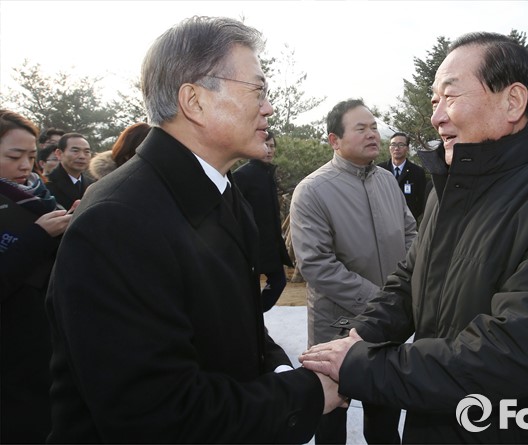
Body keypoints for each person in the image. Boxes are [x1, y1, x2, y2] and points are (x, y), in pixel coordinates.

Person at [300, 32, 528, 443]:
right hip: (437, 421)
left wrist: (361, 365)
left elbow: (515, 351)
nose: (437, 117)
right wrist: (360, 337)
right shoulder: (452, 187)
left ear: (513, 101)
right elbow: (409, 279)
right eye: (434, 101)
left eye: (451, 96)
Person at [45, 16, 343, 443]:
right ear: (195, 101)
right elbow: (157, 416)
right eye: (257, 90)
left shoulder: (222, 191)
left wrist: (279, 369)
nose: (269, 107)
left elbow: (238, 330)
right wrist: (305, 393)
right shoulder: (118, 221)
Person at [290, 99, 417, 444]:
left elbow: (411, 235)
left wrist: (402, 295)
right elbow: (317, 264)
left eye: (374, 127)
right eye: (361, 128)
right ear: (335, 140)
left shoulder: (387, 182)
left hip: (386, 329)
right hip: (337, 328)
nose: (372, 134)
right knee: (331, 422)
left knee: (384, 423)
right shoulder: (312, 191)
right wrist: (384, 301)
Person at [0, 110, 75, 444]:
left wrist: (71, 222)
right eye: (13, 156)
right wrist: (38, 237)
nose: (25, 166)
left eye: (31, 157)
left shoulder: (38, 199)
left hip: (41, 349)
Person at [233, 129, 294, 312]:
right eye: (266, 145)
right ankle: (252, 321)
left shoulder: (268, 174)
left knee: (278, 281)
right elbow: (233, 211)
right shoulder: (242, 175)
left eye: (272, 146)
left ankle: (254, 316)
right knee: (249, 289)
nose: (269, 150)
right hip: (250, 246)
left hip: (270, 245)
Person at [378, 132, 427, 221]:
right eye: (393, 144)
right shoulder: (379, 170)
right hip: (383, 220)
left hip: (408, 222)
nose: (396, 148)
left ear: (407, 148)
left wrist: (410, 217)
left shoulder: (417, 172)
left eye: (401, 145)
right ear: (389, 148)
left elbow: (422, 200)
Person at [45, 132, 94, 209]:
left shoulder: (93, 185)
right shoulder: (46, 184)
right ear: (59, 154)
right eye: (75, 151)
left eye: (87, 152)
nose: (82, 156)